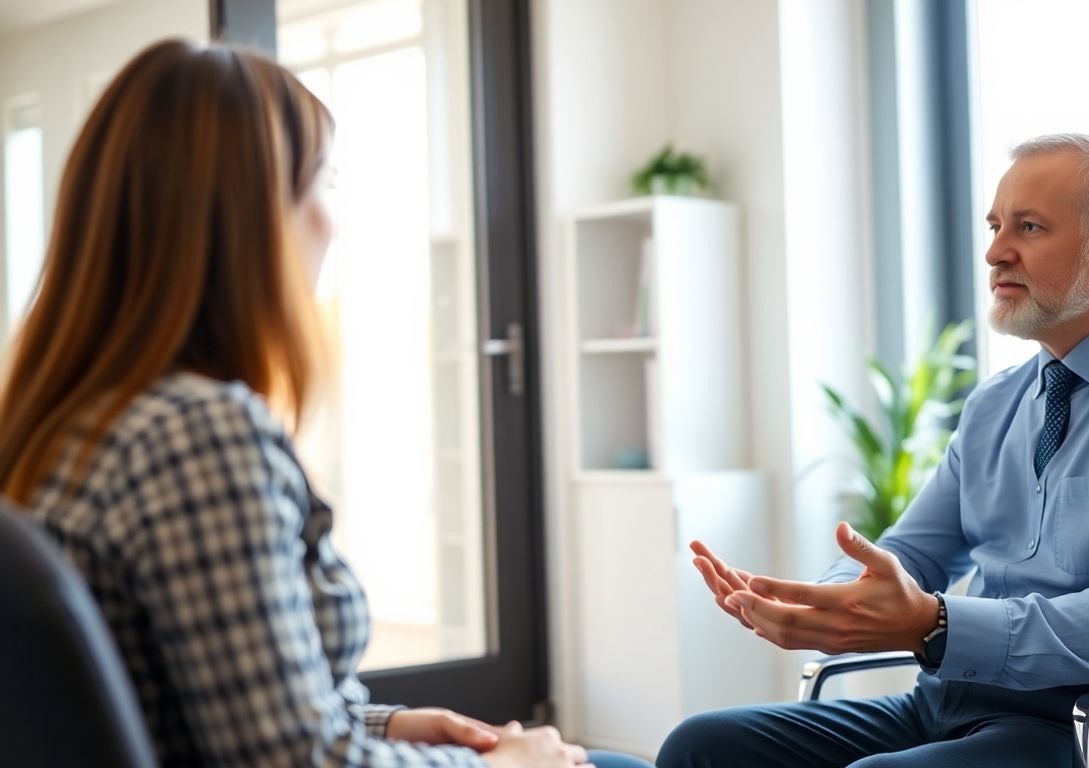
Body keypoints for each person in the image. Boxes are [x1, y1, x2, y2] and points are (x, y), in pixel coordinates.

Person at [0, 39, 651, 768]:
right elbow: (293, 761)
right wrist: (506, 766)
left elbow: (215, 707)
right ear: (248, 218)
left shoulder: (71, 425)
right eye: (324, 184)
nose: (333, 223)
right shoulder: (197, 437)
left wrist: (389, 725)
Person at [658, 134, 1089, 768]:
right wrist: (832, 604)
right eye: (995, 227)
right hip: (962, 708)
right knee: (703, 748)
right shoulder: (997, 403)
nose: (995, 252)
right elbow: (913, 553)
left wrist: (936, 624)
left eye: (1029, 227)